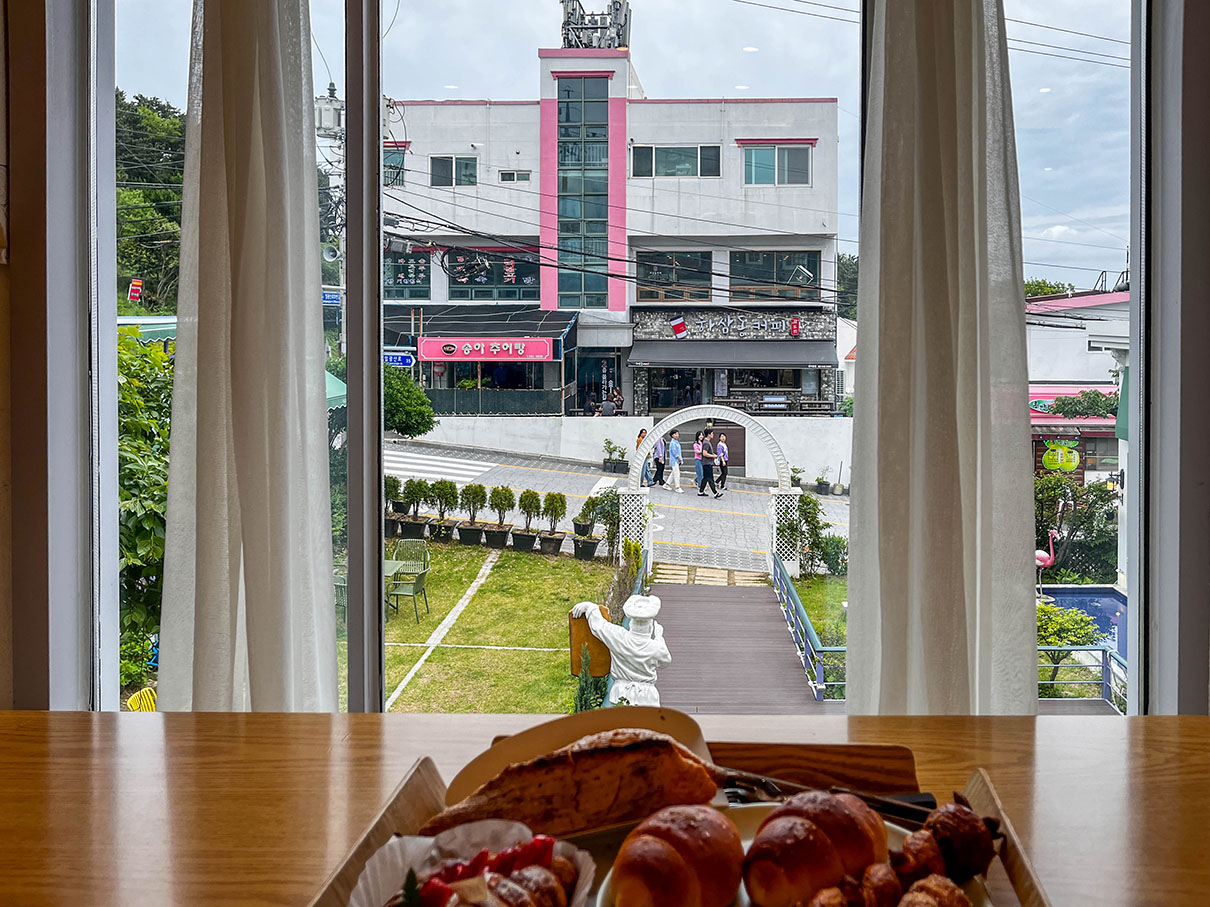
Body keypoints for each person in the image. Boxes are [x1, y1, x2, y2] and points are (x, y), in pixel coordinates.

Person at [571, 595, 671, 706]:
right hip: (647, 698)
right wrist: (659, 637)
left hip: (621, 694)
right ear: (650, 626)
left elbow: (599, 626)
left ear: (631, 623)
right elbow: (665, 662)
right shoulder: (656, 647)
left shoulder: (619, 636)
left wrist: (590, 607)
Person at [698, 429, 721, 498]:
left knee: (705, 478)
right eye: (712, 433)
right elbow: (704, 453)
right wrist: (713, 456)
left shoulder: (706, 442)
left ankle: (701, 491)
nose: (713, 435)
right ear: (709, 434)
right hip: (707, 463)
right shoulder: (706, 443)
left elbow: (708, 452)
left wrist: (713, 454)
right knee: (710, 478)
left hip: (707, 463)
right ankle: (715, 493)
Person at [668, 429, 684, 493]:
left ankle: (666, 484)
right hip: (674, 460)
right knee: (677, 473)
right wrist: (678, 457)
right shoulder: (673, 443)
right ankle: (677, 487)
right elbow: (674, 451)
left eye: (677, 434)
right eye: (676, 434)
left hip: (676, 460)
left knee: (673, 473)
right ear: (673, 435)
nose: (677, 435)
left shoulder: (676, 442)